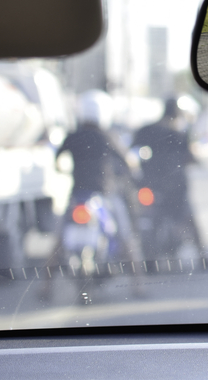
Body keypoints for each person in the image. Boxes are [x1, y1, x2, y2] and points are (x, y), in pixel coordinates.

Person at [43, 90, 143, 298]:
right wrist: (133, 170)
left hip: (77, 195)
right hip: (104, 196)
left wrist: (64, 170)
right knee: (126, 237)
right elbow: (128, 161)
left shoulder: (73, 136)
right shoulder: (107, 136)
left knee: (58, 241)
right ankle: (138, 285)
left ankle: (46, 287)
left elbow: (56, 160)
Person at [131, 95, 204, 254]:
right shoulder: (179, 134)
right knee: (189, 218)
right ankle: (203, 257)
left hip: (149, 184)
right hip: (175, 187)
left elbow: (132, 151)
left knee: (139, 215)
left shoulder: (146, 130)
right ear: (177, 114)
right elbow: (189, 157)